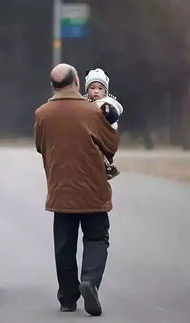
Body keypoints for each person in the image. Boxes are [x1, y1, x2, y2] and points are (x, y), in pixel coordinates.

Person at [34, 64, 120, 316]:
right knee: (96, 237)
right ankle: (89, 281)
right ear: (76, 84)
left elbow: (40, 146)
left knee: (64, 244)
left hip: (60, 190)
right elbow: (111, 146)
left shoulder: (42, 113)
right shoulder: (93, 112)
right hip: (93, 190)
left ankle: (67, 298)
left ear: (53, 86)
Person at [84, 68, 124, 179]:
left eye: (100, 88)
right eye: (92, 88)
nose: (96, 91)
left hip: (104, 134)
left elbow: (114, 116)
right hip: (90, 133)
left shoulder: (108, 103)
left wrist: (107, 112)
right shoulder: (84, 102)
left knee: (100, 150)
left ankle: (107, 165)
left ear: (105, 90)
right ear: (87, 89)